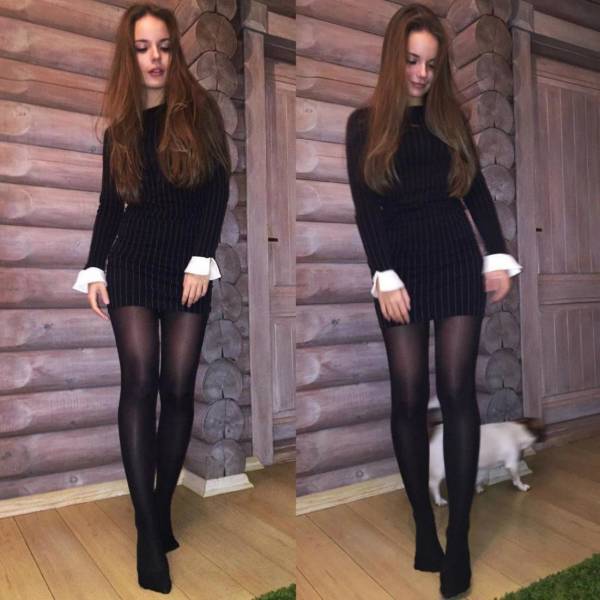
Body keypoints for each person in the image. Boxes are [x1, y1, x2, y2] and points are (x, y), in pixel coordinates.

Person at [345, 4, 521, 599]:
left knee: (457, 392)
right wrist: (383, 273)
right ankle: (424, 523)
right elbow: (366, 209)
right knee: (407, 396)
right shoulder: (365, 124)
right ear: (393, 58)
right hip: (399, 271)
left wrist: (497, 256)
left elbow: (476, 193)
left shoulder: (451, 121)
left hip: (454, 262)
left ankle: (460, 537)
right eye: (412, 60)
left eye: (431, 63)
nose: (421, 73)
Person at [72, 3, 230, 594]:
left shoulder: (201, 112)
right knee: (139, 384)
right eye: (142, 48)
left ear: (175, 51)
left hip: (187, 267)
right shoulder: (120, 130)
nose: (155, 58)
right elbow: (109, 207)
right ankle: (146, 529)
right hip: (133, 265)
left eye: (163, 45)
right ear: (129, 55)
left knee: (178, 388)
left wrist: (201, 259)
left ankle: (161, 507)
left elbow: (217, 188)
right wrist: (94, 267)